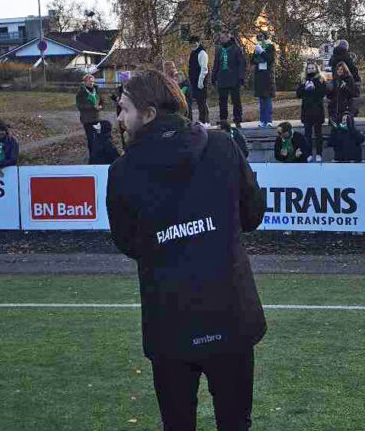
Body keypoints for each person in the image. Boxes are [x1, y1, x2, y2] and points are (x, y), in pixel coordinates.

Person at [106, 71, 266, 430]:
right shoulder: (222, 146)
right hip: (229, 312)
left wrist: (170, 243)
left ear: (148, 114)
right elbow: (253, 213)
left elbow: (128, 242)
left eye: (124, 109)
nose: (119, 119)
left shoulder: (122, 171)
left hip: (170, 318)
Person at [212, 30, 246, 127]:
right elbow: (216, 64)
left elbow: (241, 64)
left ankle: (237, 120)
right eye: (220, 38)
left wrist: (241, 78)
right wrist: (213, 77)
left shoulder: (236, 49)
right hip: (222, 79)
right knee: (222, 101)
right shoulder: (219, 49)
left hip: (234, 79)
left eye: (223, 38)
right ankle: (223, 120)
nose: (221, 40)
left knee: (236, 101)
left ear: (228, 37)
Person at [296, 62, 328, 162]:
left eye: (312, 68)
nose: (310, 70)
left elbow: (323, 93)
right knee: (307, 134)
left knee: (318, 134)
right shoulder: (303, 80)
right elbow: (298, 94)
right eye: (308, 68)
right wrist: (304, 87)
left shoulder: (320, 79)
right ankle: (308, 154)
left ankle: (319, 153)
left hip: (317, 110)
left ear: (316, 69)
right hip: (307, 111)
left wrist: (315, 87)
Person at [76, 74, 105, 156]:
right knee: (91, 138)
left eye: (92, 81)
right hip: (87, 119)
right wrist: (92, 107)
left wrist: (101, 106)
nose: (91, 83)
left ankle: (99, 154)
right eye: (89, 81)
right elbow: (80, 106)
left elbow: (102, 101)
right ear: (85, 82)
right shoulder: (81, 93)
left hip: (97, 118)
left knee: (99, 137)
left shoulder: (97, 90)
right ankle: (92, 155)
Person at [251, 32, 276, 128]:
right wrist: (256, 53)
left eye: (261, 37)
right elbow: (252, 61)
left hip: (268, 76)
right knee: (261, 99)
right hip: (260, 75)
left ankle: (268, 120)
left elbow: (270, 59)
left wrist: (262, 52)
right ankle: (262, 120)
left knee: (268, 98)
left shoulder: (270, 46)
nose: (259, 39)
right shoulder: (258, 46)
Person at [187, 36, 210, 125]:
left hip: (201, 82)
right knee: (199, 102)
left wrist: (200, 82)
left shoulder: (202, 53)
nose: (193, 45)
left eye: (195, 43)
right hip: (194, 82)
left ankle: (204, 121)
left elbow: (204, 69)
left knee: (202, 102)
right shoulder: (193, 53)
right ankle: (203, 121)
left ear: (198, 43)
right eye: (191, 43)